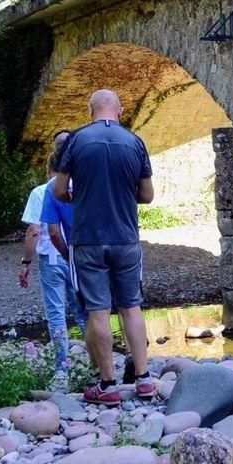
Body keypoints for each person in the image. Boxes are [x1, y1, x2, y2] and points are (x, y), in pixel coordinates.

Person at [52, 89, 155, 405]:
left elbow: (58, 190)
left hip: (89, 238)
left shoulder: (76, 141)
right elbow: (148, 195)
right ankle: (144, 379)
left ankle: (108, 385)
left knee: (98, 309)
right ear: (120, 110)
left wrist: (75, 196)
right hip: (125, 236)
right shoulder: (135, 142)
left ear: (90, 109)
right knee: (130, 305)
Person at [20, 130, 86, 369]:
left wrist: (26, 262)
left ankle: (62, 365)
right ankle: (99, 360)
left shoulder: (41, 192)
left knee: (56, 313)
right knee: (82, 311)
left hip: (52, 257)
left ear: (49, 170)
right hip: (79, 255)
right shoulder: (83, 185)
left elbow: (35, 231)